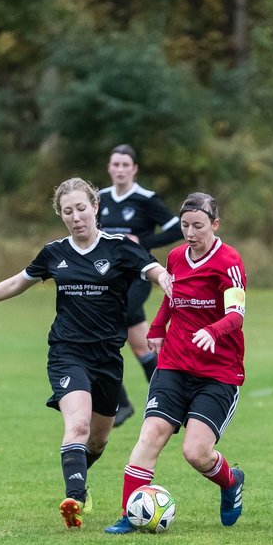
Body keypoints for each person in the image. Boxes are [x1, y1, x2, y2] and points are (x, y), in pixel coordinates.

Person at [0, 177, 173, 528]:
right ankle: (74, 499)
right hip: (67, 352)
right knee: (76, 424)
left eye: (81, 208)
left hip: (107, 356)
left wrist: (165, 278)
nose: (76, 217)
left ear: (95, 207)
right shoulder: (55, 253)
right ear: (61, 215)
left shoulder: (119, 247)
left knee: (99, 438)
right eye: (67, 211)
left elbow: (152, 268)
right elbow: (17, 282)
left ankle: (80, 478)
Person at [106, 191, 247, 534]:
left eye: (198, 226)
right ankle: (129, 513)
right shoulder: (175, 257)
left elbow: (236, 315)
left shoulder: (229, 261)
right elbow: (172, 298)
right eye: (185, 225)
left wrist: (213, 332)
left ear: (214, 224)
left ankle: (231, 482)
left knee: (196, 452)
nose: (190, 233)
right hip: (173, 364)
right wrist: (156, 328)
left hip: (218, 373)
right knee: (152, 434)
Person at [97, 145, 183, 427]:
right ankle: (171, 398)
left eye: (125, 165)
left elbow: (176, 227)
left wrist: (143, 243)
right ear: (109, 168)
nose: (120, 169)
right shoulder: (100, 199)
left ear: (134, 169)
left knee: (103, 329)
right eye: (115, 164)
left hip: (138, 278)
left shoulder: (146, 199)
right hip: (109, 281)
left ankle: (120, 402)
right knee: (140, 345)